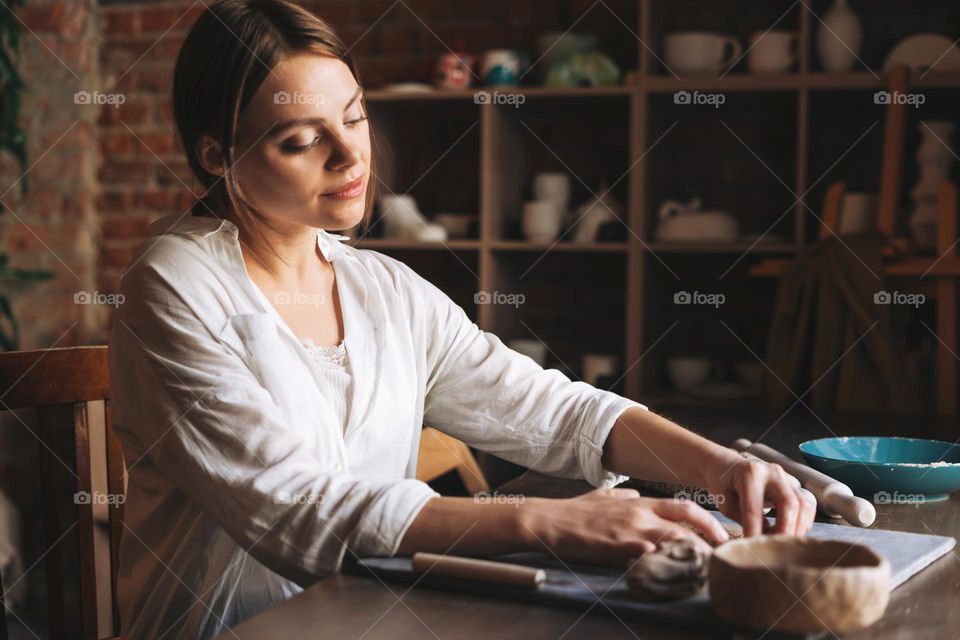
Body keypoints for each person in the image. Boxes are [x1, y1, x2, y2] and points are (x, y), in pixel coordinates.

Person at [107, 1, 814, 637]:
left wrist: (723, 467)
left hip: (373, 621)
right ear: (216, 157)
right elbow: (293, 510)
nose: (351, 154)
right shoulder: (174, 286)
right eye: (300, 140)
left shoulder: (381, 287)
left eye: (353, 116)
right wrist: (548, 522)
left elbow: (554, 411)